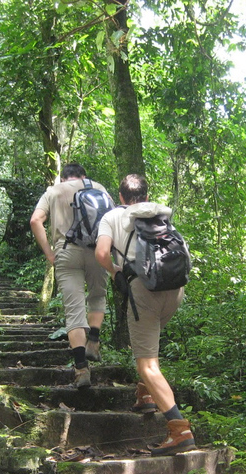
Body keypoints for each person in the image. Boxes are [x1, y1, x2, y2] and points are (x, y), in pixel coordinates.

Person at [94, 174, 195, 456]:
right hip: (174, 288)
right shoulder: (159, 214)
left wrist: (115, 271)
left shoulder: (112, 216)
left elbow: (102, 253)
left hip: (144, 290)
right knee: (148, 346)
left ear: (121, 196)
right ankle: (146, 395)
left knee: (147, 364)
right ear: (146, 194)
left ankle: (179, 429)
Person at [30, 163, 112, 389]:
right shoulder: (99, 187)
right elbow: (114, 220)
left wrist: (49, 253)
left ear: (63, 177)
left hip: (65, 251)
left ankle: (81, 368)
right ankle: (93, 341)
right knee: (97, 295)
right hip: (97, 250)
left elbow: (35, 220)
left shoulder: (54, 191)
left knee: (74, 309)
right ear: (83, 176)